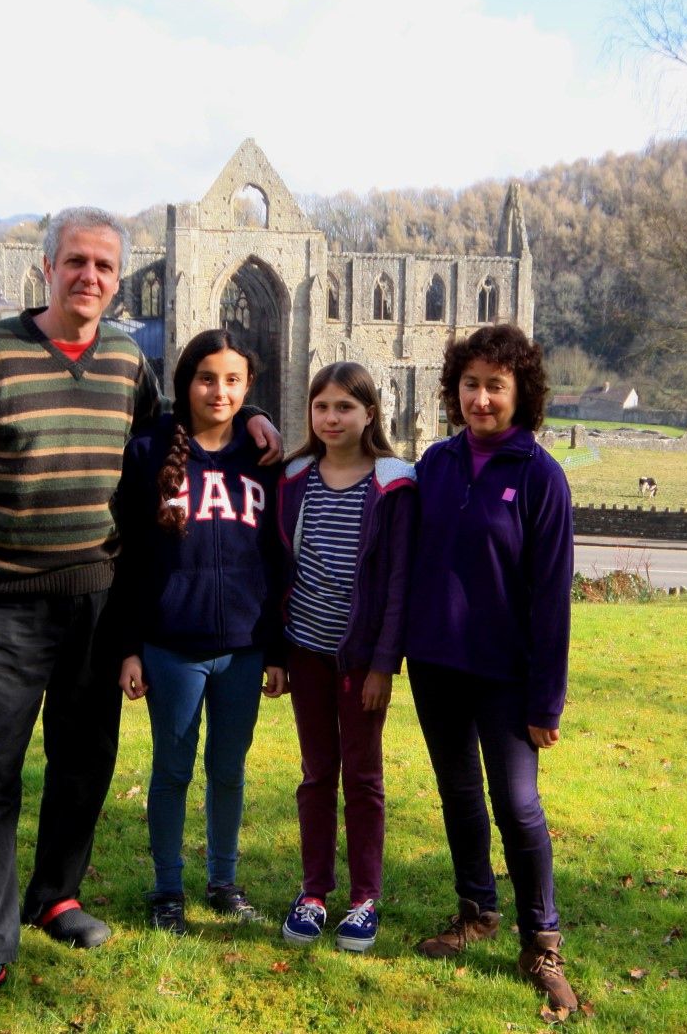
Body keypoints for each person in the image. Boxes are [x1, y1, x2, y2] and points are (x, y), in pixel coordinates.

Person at [0, 208, 281, 1032]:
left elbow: (168, 440)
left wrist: (251, 421)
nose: (89, 276)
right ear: (48, 268)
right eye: (75, 261)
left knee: (84, 762)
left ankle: (56, 896)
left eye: (104, 267)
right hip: (7, 600)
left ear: (120, 280)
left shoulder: (124, 360)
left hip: (98, 596)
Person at [405, 324, 580, 1016]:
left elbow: (552, 598)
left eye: (495, 387)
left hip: (508, 675)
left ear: (521, 394)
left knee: (518, 803)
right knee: (459, 794)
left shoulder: (540, 477)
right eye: (471, 385)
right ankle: (476, 910)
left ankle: (542, 941)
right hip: (437, 664)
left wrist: (548, 700)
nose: (481, 399)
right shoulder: (436, 464)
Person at [113, 329, 286, 935]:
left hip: (244, 647)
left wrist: (278, 649)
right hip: (171, 646)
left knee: (229, 770)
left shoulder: (265, 461)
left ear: (248, 388)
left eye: (233, 380)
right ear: (185, 382)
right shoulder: (148, 454)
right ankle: (167, 889)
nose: (219, 390)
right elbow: (129, 558)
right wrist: (130, 646)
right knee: (173, 769)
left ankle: (223, 880)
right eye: (206, 378)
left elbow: (278, 557)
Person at [275, 362, 416, 953]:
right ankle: (314, 892)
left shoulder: (392, 486)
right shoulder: (293, 479)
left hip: (360, 660)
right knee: (315, 775)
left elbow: (398, 583)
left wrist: (384, 664)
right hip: (305, 650)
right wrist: (278, 652)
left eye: (345, 408)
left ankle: (364, 899)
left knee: (362, 776)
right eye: (322, 407)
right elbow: (280, 570)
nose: (332, 418)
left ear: (369, 414)